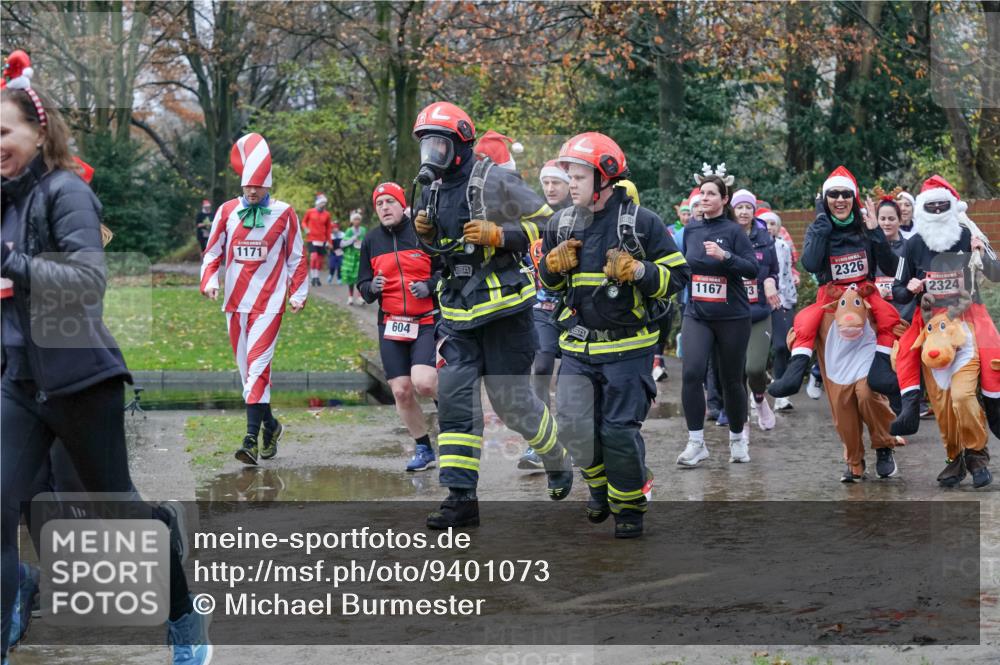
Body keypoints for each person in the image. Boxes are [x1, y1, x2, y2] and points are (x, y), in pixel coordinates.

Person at [0, 51, 210, 663]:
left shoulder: (67, 192)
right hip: (20, 380)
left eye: (4, 131)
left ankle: (182, 617)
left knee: (117, 512)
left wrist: (11, 263)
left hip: (78, 380)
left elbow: (88, 280)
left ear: (38, 132)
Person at [411, 101, 572, 529]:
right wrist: (426, 235)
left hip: (505, 315)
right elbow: (440, 254)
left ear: (461, 144)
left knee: (512, 405)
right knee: (455, 404)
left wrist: (502, 234)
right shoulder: (430, 189)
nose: (432, 153)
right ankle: (461, 498)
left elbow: (549, 224)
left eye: (439, 144)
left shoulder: (496, 180)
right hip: (458, 316)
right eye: (426, 145)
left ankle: (556, 457)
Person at [539, 132, 689, 537]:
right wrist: (551, 268)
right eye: (568, 175)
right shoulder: (559, 224)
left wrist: (639, 271)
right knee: (573, 426)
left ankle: (629, 510)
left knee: (618, 432)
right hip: (576, 346)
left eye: (579, 176)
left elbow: (678, 278)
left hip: (628, 348)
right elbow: (550, 288)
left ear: (605, 176)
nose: (570, 184)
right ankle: (601, 488)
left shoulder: (642, 223)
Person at [200, 132, 308, 465]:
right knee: (249, 374)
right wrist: (209, 280)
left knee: (258, 367)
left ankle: (249, 439)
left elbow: (297, 257)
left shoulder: (284, 213)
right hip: (234, 304)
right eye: (248, 186)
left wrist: (298, 293)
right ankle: (271, 426)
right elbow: (212, 251)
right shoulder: (227, 211)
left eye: (258, 187)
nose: (251, 191)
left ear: (268, 185)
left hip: (270, 303)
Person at [767, 166, 901, 401]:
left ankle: (882, 367)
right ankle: (795, 370)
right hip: (831, 298)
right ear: (825, 200)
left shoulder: (866, 227)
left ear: (854, 198)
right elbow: (810, 263)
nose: (840, 199)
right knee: (805, 320)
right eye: (833, 194)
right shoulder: (819, 228)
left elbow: (891, 269)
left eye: (846, 194)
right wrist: (822, 224)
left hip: (865, 295)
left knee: (889, 317)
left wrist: (876, 233)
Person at [890, 175, 1000, 456]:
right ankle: (954, 457)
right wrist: (909, 288)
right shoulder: (913, 245)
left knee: (963, 396)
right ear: (923, 210)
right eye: (932, 206)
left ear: (952, 207)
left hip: (966, 324)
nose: (938, 211)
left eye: (942, 205)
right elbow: (898, 291)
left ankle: (977, 452)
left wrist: (982, 253)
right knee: (942, 405)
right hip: (930, 329)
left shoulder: (967, 236)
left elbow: (996, 274)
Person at [675, 167, 759, 467]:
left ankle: (737, 439)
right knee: (691, 373)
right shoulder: (691, 230)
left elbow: (752, 269)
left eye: (711, 194)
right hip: (697, 313)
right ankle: (696, 443)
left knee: (731, 380)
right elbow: (683, 268)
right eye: (702, 193)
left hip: (732, 317)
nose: (704, 198)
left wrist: (726, 257)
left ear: (724, 200)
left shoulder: (734, 232)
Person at [357, 183, 441, 473]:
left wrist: (429, 286)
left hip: (427, 320)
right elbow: (362, 284)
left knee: (425, 383)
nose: (384, 208)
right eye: (379, 204)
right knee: (402, 391)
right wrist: (372, 287)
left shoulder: (422, 232)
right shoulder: (371, 240)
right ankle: (423, 448)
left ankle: (454, 422)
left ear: (402, 205)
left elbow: (445, 271)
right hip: (392, 325)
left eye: (390, 202)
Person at [518, 159, 573, 471]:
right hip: (541, 305)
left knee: (572, 376)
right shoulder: (534, 218)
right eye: (546, 183)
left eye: (556, 182)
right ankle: (540, 442)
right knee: (540, 367)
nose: (550, 188)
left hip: (576, 307)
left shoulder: (581, 216)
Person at [729, 190, 780, 430]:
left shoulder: (764, 237)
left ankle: (759, 399)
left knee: (755, 368)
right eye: (739, 207)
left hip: (759, 311)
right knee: (735, 373)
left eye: (748, 207)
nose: (743, 212)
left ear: (753, 211)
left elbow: (773, 270)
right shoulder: (725, 234)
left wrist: (770, 282)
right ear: (732, 210)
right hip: (731, 313)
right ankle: (742, 428)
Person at [759, 209, 798, 411]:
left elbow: (786, 275)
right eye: (765, 224)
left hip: (781, 301)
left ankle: (782, 393)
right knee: (758, 351)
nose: (769, 227)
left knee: (782, 346)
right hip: (757, 303)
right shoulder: (752, 245)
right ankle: (756, 391)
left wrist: (790, 301)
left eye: (773, 224)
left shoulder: (783, 246)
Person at [302, 193, 332, 287]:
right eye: (322, 203)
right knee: (313, 257)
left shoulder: (327, 214)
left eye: (324, 203)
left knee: (319, 260)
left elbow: (328, 229)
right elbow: (303, 222)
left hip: (322, 239)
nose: (323, 205)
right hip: (311, 238)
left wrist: (329, 241)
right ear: (318, 203)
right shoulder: (310, 212)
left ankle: (317, 278)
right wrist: (306, 228)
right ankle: (312, 277)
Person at [341, 211, 366, 305]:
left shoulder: (363, 230)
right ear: (352, 221)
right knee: (350, 278)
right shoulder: (349, 231)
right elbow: (342, 244)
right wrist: (352, 239)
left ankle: (360, 297)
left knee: (359, 277)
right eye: (355, 219)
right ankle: (350, 297)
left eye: (358, 219)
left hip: (360, 256)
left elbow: (366, 240)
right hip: (351, 258)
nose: (357, 221)